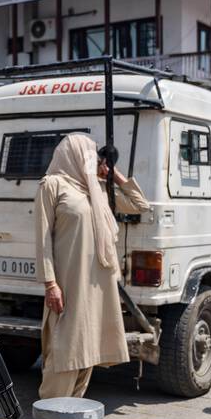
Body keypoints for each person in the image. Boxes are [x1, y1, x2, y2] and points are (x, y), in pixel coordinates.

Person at [34, 134, 149, 399]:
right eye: (90, 155)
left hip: (98, 283)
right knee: (64, 348)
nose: (94, 161)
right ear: (73, 154)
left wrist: (114, 175)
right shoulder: (52, 185)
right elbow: (42, 241)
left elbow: (140, 205)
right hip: (68, 283)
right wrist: (50, 284)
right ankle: (51, 412)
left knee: (88, 349)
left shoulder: (96, 188)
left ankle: (72, 417)